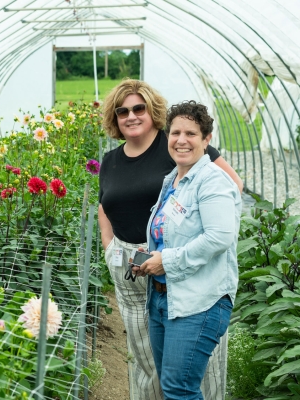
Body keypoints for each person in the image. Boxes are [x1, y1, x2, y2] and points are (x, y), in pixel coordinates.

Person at [98, 79, 242, 399]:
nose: (131, 115)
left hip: (180, 272)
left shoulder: (180, 151)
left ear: (153, 112)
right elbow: (104, 205)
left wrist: (171, 255)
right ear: (115, 117)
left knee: (188, 373)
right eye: (123, 110)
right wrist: (111, 248)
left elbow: (228, 199)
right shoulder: (118, 162)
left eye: (139, 108)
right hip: (134, 264)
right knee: (146, 355)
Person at [134, 101, 240, 399]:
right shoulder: (174, 180)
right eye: (175, 132)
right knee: (174, 387)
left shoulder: (212, 181)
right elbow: (170, 233)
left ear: (206, 140)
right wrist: (148, 255)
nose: (181, 140)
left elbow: (219, 237)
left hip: (199, 302)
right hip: (163, 298)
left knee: (179, 390)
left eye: (191, 133)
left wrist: (166, 261)